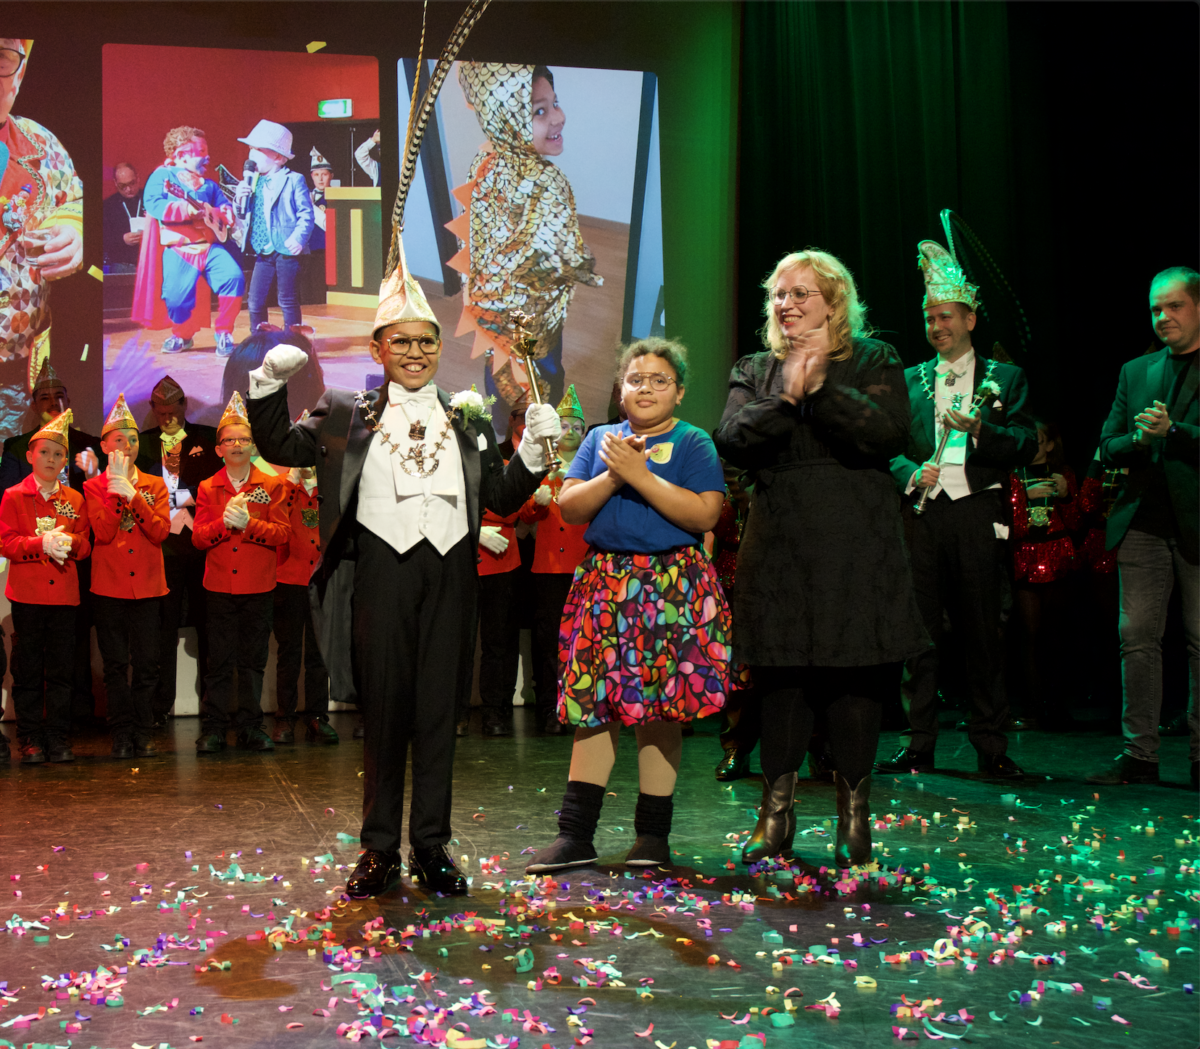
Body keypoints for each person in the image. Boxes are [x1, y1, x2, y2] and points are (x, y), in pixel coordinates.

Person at [248, 243, 559, 898]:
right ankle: (379, 848)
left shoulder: (469, 416)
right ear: (378, 348)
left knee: (440, 711)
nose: (415, 353)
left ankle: (431, 845)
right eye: (402, 342)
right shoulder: (343, 413)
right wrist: (268, 384)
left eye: (426, 342)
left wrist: (532, 450)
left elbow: (500, 496)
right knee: (386, 712)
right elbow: (278, 444)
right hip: (381, 573)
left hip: (451, 573)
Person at [714, 250, 926, 868]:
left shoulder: (873, 358)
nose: (787, 305)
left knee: (854, 674)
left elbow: (887, 434)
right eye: (779, 295)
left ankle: (854, 817)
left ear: (834, 304)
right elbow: (732, 438)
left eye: (802, 293)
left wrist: (823, 388)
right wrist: (785, 399)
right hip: (781, 540)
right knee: (782, 676)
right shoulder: (756, 368)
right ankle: (775, 815)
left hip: (858, 539)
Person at [525, 338, 730, 874]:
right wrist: (614, 472)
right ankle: (576, 836)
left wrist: (641, 475)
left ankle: (652, 837)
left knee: (660, 709)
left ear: (679, 392)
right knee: (593, 710)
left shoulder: (693, 443)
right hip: (605, 583)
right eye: (635, 379)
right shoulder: (600, 439)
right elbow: (570, 506)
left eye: (659, 380)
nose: (645, 388)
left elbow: (705, 515)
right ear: (620, 390)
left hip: (670, 588)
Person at [876, 240, 1036, 782]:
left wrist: (982, 432)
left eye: (945, 315)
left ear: (970, 317)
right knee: (919, 633)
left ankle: (990, 743)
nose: (936, 325)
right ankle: (919, 744)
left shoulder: (1004, 378)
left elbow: (1026, 442)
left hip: (975, 513)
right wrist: (907, 472)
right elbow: (886, 445)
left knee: (982, 632)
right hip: (921, 514)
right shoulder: (910, 379)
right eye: (929, 317)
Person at [1088, 266, 1199, 788]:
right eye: (1156, 308)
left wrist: (1174, 432)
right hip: (1143, 525)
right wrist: (1138, 439)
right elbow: (1106, 446)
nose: (1163, 317)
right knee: (1135, 637)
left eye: (1174, 306)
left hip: (1196, 523)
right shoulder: (1137, 371)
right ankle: (1140, 755)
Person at [451, 63, 601, 410]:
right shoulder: (495, 173)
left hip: (538, 310)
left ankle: (536, 414)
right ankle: (513, 432)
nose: (558, 117)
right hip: (509, 313)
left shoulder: (528, 169)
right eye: (539, 110)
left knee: (541, 368)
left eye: (555, 103)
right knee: (513, 374)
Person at [191, 392, 290, 753]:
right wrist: (222, 523)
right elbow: (200, 539)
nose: (236, 445)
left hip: (258, 586)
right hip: (218, 586)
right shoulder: (207, 487)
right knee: (218, 661)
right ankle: (214, 726)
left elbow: (282, 534)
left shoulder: (272, 485)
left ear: (253, 446)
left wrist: (248, 525)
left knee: (252, 661)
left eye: (243, 439)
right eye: (229, 440)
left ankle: (251, 725)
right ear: (218, 449)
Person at [0, 36, 84, 423]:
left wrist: (74, 230)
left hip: (17, 377)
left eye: (2, 56)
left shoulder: (41, 142)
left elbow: (71, 201)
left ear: (21, 70)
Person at [0, 409, 91, 763]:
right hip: (28, 595)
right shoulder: (13, 496)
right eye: (44, 452)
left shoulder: (75, 499)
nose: (50, 459)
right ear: (30, 456)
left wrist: (70, 542)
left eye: (57, 454)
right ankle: (30, 737)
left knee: (61, 670)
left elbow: (86, 546)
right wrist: (40, 545)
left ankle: (57, 735)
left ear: (65, 460)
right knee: (28, 668)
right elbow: (6, 543)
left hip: (64, 595)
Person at [83, 394, 169, 759]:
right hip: (110, 586)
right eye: (119, 440)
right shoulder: (91, 487)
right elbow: (101, 534)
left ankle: (144, 728)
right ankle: (120, 732)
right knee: (115, 664)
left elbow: (160, 531)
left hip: (148, 586)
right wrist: (115, 492)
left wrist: (133, 494)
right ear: (104, 446)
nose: (127, 446)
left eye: (132, 439)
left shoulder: (154, 484)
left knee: (148, 662)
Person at [134, 375, 222, 726]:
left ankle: (215, 706)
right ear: (153, 410)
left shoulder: (209, 438)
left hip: (203, 546)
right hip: (162, 549)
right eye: (161, 412)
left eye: (173, 411)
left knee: (209, 627)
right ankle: (159, 707)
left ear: (185, 406)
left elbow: (218, 486)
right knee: (163, 630)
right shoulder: (140, 444)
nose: (168, 418)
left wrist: (182, 498)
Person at [133, 126, 244, 357]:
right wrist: (185, 208)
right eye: (200, 150)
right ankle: (182, 335)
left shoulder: (209, 185)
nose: (207, 156)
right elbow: (154, 204)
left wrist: (224, 214)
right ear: (181, 154)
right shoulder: (163, 176)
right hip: (180, 248)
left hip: (210, 247)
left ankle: (224, 332)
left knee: (234, 277)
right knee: (176, 300)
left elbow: (224, 206)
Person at [521, 383, 590, 736]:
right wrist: (538, 502)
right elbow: (524, 517)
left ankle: (578, 706)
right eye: (565, 425)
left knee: (581, 640)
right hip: (547, 567)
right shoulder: (540, 468)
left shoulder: (592, 469)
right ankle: (549, 707)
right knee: (548, 641)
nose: (572, 432)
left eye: (578, 426)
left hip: (583, 567)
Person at [1006, 419, 1080, 731]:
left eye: (1036, 440)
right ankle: (1033, 706)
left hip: (1058, 556)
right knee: (1030, 635)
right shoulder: (1012, 475)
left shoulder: (1063, 474)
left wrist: (1066, 495)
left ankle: (1058, 705)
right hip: (1025, 556)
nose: (1031, 446)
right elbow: (1007, 525)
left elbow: (1078, 522)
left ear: (1049, 444)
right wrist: (1023, 497)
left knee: (1057, 635)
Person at [271, 454, 337, 745]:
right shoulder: (282, 488)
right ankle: (285, 718)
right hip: (288, 579)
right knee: (288, 653)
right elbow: (276, 525)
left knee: (318, 653)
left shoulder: (330, 487)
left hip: (322, 578)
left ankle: (317, 717)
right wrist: (290, 484)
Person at [234, 120, 315, 334]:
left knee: (287, 298)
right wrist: (238, 200)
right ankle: (259, 339)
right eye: (251, 150)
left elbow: (306, 213)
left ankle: (294, 340)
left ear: (278, 157)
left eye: (258, 151)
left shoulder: (293, 179)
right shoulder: (253, 181)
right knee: (255, 300)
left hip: (286, 247)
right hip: (263, 248)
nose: (252, 156)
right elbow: (244, 215)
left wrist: (299, 237)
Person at [0, 360, 103, 495]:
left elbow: (105, 499)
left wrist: (94, 474)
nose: (53, 403)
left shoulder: (90, 445)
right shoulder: (17, 448)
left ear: (68, 402)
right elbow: (7, 498)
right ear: (34, 406)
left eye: (59, 397)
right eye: (45, 398)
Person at [102, 161, 143, 271]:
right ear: (115, 183)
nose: (128, 189)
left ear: (137, 178)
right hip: (121, 264)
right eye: (123, 186)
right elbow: (102, 239)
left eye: (132, 183)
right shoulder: (108, 205)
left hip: (148, 260)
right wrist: (122, 239)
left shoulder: (150, 199)